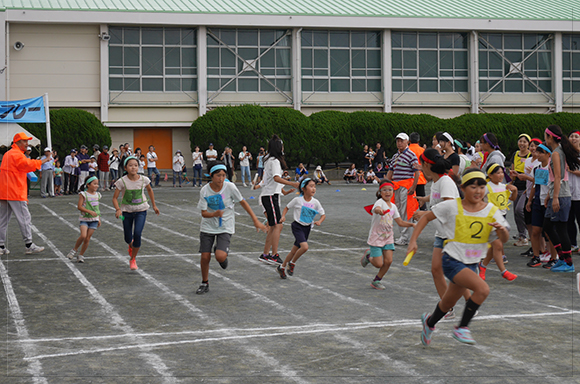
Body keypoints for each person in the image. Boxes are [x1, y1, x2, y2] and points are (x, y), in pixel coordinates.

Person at [408, 169, 509, 346]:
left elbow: (504, 239)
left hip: (471, 264)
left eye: (481, 187)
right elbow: (426, 218)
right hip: (452, 260)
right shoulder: (452, 206)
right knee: (483, 289)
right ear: (462, 188)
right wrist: (413, 241)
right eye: (473, 186)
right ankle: (462, 327)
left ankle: (429, 323)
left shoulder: (492, 210)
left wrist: (502, 231)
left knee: (447, 303)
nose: (478, 191)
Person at [197, 162, 267, 294]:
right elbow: (203, 213)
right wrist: (214, 214)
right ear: (211, 176)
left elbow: (243, 202)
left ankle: (221, 254)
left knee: (220, 256)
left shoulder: (230, 187)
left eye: (223, 175)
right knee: (205, 257)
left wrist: (255, 220)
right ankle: (204, 283)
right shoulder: (205, 190)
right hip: (208, 227)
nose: (221, 178)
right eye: (218, 176)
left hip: (225, 226)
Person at [413, 148, 463, 319]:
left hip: (453, 233)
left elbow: (450, 206)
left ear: (426, 164)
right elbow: (436, 197)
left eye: (421, 164)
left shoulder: (446, 181)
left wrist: (425, 214)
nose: (420, 167)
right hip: (441, 232)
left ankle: (472, 303)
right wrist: (424, 200)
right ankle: (448, 309)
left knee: (458, 274)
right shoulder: (436, 182)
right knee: (436, 270)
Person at [0, 132, 52, 255]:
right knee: (24, 218)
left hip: (5, 191)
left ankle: (1, 245)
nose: (27, 144)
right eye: (24, 141)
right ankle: (29, 244)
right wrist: (45, 160)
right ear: (17, 142)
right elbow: (28, 165)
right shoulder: (16, 154)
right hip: (15, 191)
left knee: (3, 220)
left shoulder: (9, 154)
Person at [361, 180, 415, 289]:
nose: (387, 192)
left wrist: (413, 225)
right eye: (385, 190)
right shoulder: (380, 202)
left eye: (390, 190)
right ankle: (369, 255)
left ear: (393, 192)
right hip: (376, 237)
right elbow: (376, 209)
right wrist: (379, 210)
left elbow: (400, 222)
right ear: (380, 192)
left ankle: (376, 280)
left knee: (389, 261)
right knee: (378, 264)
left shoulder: (393, 207)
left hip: (388, 237)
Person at [543, 125, 580, 272]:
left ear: (550, 137)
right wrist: (549, 195)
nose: (545, 138)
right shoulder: (557, 152)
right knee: (548, 226)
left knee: (560, 228)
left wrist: (556, 198)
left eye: (545, 136)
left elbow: (558, 176)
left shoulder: (557, 153)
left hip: (561, 195)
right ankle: (563, 258)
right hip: (556, 194)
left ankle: (568, 263)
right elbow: (554, 178)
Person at [112, 156, 160, 270]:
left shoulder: (144, 179)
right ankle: (130, 244)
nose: (133, 167)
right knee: (128, 238)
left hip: (141, 211)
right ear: (125, 167)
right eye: (130, 165)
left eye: (135, 165)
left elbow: (149, 190)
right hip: (126, 212)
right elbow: (114, 198)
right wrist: (118, 209)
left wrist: (154, 205)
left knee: (137, 233)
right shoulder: (121, 181)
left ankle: (133, 258)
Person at [258, 135, 299, 265]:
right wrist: (292, 183)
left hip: (270, 195)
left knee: (273, 225)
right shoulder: (274, 161)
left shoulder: (270, 160)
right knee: (277, 225)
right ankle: (274, 255)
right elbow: (276, 178)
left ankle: (265, 254)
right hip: (270, 196)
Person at [276, 178, 326, 279]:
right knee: (304, 247)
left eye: (314, 187)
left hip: (307, 228)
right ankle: (292, 263)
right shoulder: (297, 200)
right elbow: (287, 207)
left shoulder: (315, 202)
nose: (313, 189)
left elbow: (323, 214)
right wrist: (283, 216)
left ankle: (282, 267)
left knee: (294, 251)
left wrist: (319, 221)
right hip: (297, 226)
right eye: (311, 186)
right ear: (303, 188)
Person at [477, 164, 518, 281]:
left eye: (502, 173)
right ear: (490, 175)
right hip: (489, 219)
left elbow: (512, 199)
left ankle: (483, 266)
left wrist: (514, 191)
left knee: (495, 246)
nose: (501, 175)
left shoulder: (504, 186)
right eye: (498, 173)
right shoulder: (486, 187)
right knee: (497, 245)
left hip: (501, 218)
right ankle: (503, 271)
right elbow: (478, 200)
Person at [386, 132, 420, 246]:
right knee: (399, 210)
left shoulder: (411, 155)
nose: (399, 143)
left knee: (405, 212)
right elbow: (391, 171)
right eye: (398, 141)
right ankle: (403, 235)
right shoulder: (395, 156)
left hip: (406, 186)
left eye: (401, 141)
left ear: (407, 142)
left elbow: (417, 172)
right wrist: (385, 184)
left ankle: (405, 237)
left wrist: (413, 186)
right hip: (396, 186)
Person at [526, 143, 554, 268]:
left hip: (548, 202)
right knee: (536, 230)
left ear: (548, 154)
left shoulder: (552, 168)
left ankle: (554, 257)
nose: (537, 154)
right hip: (537, 202)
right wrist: (530, 200)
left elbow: (554, 185)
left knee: (549, 231)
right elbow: (534, 185)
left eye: (540, 152)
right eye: (536, 152)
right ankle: (536, 256)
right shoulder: (536, 168)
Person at [66, 176, 101, 263]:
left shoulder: (98, 195)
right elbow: (79, 206)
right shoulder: (83, 194)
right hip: (84, 219)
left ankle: (81, 255)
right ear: (88, 185)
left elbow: (97, 208)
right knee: (83, 235)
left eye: (97, 184)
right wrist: (88, 211)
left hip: (94, 220)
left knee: (88, 238)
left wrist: (99, 218)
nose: (96, 186)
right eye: (94, 184)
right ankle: (74, 250)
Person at [508, 134, 532, 246]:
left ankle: (528, 233)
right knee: (515, 213)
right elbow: (512, 170)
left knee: (519, 210)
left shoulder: (531, 155)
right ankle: (522, 236)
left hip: (526, 187)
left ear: (528, 143)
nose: (522, 143)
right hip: (516, 187)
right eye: (520, 141)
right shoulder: (515, 154)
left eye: (524, 142)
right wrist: (511, 181)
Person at [567, 131, 580, 253]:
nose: (573, 139)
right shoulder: (566, 155)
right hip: (568, 193)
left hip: (579, 194)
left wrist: (573, 171)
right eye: (571, 136)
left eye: (576, 137)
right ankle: (572, 244)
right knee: (569, 220)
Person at [408, 132, 427, 202]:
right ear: (418, 141)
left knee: (410, 201)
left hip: (409, 179)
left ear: (409, 140)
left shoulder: (407, 150)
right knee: (422, 200)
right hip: (420, 178)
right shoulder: (422, 150)